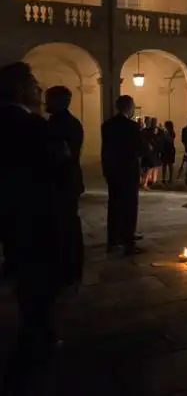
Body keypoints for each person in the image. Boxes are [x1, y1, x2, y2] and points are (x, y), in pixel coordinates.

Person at [0, 63, 70, 390]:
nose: (38, 89)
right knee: (40, 281)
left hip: (11, 216)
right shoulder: (33, 125)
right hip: (38, 215)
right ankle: (36, 342)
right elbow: (58, 166)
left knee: (23, 272)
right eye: (33, 83)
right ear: (19, 89)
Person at [44, 86, 85, 288]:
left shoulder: (64, 124)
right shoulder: (66, 122)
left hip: (63, 180)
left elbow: (64, 153)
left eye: (49, 99)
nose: (45, 103)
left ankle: (70, 267)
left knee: (66, 224)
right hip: (67, 179)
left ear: (60, 101)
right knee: (66, 223)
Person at [102, 95, 145, 255]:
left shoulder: (107, 125)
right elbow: (139, 149)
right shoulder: (132, 126)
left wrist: (106, 169)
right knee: (129, 206)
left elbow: (106, 150)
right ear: (129, 108)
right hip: (128, 171)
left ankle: (113, 239)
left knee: (114, 205)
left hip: (113, 171)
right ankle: (128, 238)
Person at [161, 120, 177, 184]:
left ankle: (170, 178)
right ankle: (163, 178)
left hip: (170, 149)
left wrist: (166, 135)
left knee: (170, 165)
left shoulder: (172, 133)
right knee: (164, 164)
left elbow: (171, 141)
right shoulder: (164, 132)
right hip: (165, 149)